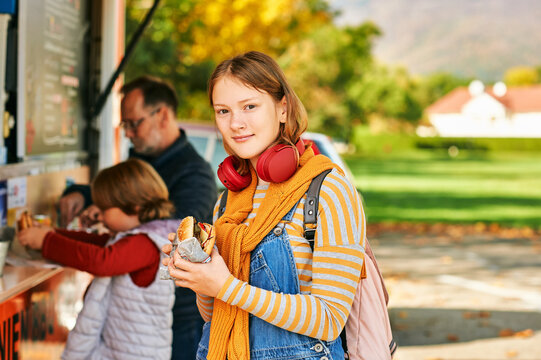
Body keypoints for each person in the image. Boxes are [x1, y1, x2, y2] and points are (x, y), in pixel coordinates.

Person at [162, 51, 366, 360]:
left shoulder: (327, 190)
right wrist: (197, 272)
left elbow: (329, 318)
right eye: (223, 111)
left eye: (250, 107)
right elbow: (213, 315)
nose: (235, 123)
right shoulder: (228, 201)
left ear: (283, 109)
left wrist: (226, 286)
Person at [57, 76, 218, 360]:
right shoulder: (144, 160)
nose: (128, 133)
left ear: (163, 115)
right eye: (125, 125)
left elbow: (172, 237)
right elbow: (123, 199)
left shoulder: (196, 175)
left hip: (176, 318)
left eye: (133, 123)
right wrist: (84, 194)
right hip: (132, 316)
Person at [19, 159, 177, 359]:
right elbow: (99, 242)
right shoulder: (137, 238)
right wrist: (53, 234)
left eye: (104, 209)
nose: (100, 217)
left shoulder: (145, 243)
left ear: (134, 207)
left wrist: (46, 241)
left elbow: (102, 260)